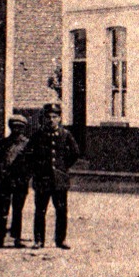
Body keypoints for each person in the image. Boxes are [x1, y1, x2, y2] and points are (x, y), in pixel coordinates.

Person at [30, 103, 81, 249]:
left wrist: (63, 168)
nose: (51, 120)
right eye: (49, 117)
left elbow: (75, 153)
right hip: (42, 179)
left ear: (59, 118)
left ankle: (61, 240)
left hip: (59, 180)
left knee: (61, 209)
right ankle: (39, 240)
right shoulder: (38, 135)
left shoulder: (65, 135)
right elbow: (29, 154)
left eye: (54, 117)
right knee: (40, 210)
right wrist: (37, 169)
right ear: (44, 119)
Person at [0, 113, 33, 247]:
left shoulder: (28, 145)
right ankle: (0, 237)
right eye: (14, 127)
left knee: (18, 210)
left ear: (24, 129)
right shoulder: (1, 144)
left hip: (20, 182)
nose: (17, 130)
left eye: (20, 127)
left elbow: (32, 164)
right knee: (2, 210)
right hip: (4, 182)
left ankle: (17, 238)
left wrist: (26, 177)